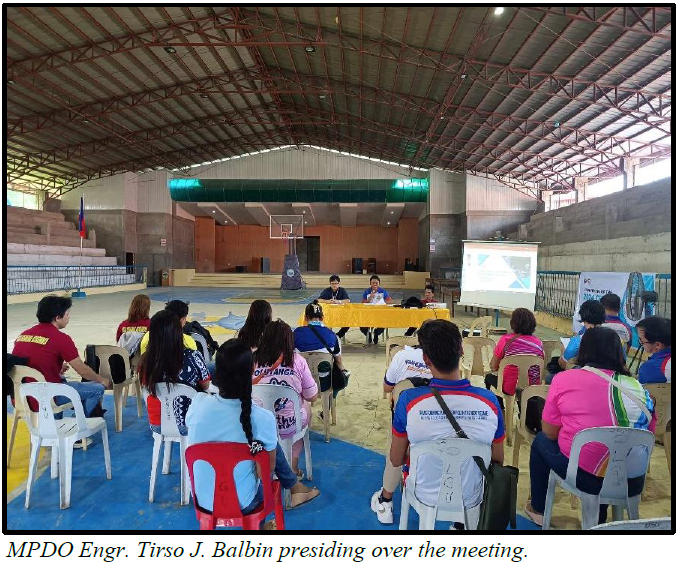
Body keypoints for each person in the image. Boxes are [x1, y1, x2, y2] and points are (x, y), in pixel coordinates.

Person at [372, 320, 504, 525]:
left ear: (425, 359)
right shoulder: (490, 402)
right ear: (461, 351)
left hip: (423, 494)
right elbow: (497, 460)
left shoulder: (408, 401)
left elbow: (396, 459)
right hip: (471, 497)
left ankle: (385, 499)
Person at [525, 327, 656, 527]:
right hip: (632, 481)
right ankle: (600, 518)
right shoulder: (638, 388)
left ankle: (538, 509)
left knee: (542, 441)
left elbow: (550, 432)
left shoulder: (564, 379)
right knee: (606, 451)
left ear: (584, 351)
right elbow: (648, 434)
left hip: (588, 479)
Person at [186, 338, 320, 524]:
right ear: (251, 372)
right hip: (244, 503)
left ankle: (293, 485)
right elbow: (267, 470)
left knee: (259, 446)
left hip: (202, 500)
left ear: (215, 372)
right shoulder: (261, 418)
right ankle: (291, 488)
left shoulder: (197, 404)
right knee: (264, 449)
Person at [12, 296, 110, 431]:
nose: (69, 317)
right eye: (67, 314)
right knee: (97, 389)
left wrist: (56, 367)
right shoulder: (60, 338)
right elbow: (82, 371)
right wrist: (102, 380)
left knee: (61, 380)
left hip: (21, 397)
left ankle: (53, 426)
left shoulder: (23, 335)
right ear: (58, 317)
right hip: (46, 398)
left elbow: (26, 363)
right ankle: (78, 431)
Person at [371, 332, 432, 524]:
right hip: (435, 427)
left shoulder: (402, 356)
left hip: (403, 416)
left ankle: (386, 500)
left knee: (396, 448)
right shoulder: (483, 401)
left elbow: (387, 387)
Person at [253, 320, 319, 476]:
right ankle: (293, 466)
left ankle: (261, 468)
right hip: (289, 425)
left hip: (257, 425)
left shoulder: (252, 359)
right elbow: (312, 396)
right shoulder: (297, 361)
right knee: (306, 407)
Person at [139, 310, 210, 436]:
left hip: (157, 424)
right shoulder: (193, 356)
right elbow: (206, 386)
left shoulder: (145, 360)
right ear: (178, 332)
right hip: (189, 423)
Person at [485, 307, 544, 396]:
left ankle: (500, 406)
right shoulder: (539, 343)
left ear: (513, 323)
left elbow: (493, 366)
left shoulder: (506, 340)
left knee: (488, 377)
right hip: (532, 388)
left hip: (509, 388)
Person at [293, 300, 351, 380]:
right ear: (322, 318)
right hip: (324, 382)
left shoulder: (296, 333)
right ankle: (333, 392)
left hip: (302, 380)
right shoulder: (333, 336)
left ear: (305, 318)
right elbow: (338, 362)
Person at [558, 300, 605, 370]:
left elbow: (563, 364)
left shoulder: (577, 341)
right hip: (608, 376)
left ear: (583, 317)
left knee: (550, 377)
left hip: (583, 376)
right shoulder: (614, 337)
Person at [636, 316, 672, 384]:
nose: (640, 343)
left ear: (658, 345)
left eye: (642, 340)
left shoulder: (650, 367)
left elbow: (642, 392)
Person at [360, 275, 393, 344]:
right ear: (370, 283)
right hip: (368, 313)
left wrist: (382, 301)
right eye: (373, 283)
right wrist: (370, 298)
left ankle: (376, 333)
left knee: (384, 323)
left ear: (379, 283)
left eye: (376, 283)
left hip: (380, 313)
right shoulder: (367, 291)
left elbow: (390, 301)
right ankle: (368, 335)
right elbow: (363, 302)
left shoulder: (383, 291)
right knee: (361, 325)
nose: (375, 284)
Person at [317, 275, 350, 339]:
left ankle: (338, 335)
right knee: (326, 322)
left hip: (341, 313)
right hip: (329, 313)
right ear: (330, 283)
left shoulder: (342, 290)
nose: (334, 285)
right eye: (332, 284)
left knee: (348, 321)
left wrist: (339, 301)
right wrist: (327, 301)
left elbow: (348, 300)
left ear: (339, 283)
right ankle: (329, 336)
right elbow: (319, 300)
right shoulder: (327, 290)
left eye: (336, 283)